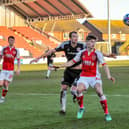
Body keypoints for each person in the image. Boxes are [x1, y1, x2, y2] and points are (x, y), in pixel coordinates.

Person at [30, 31, 115, 115]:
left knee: (75, 90)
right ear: (70, 38)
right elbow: (52, 51)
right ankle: (63, 109)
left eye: (77, 37)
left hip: (79, 72)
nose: (76, 38)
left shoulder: (82, 45)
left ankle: (80, 104)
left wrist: (107, 55)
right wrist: (39, 58)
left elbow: (95, 50)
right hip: (69, 69)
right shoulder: (65, 45)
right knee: (63, 88)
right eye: (74, 36)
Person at [60, 35, 115, 121]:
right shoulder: (82, 52)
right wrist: (61, 65)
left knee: (99, 92)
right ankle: (81, 108)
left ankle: (106, 113)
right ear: (87, 42)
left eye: (94, 42)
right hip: (84, 77)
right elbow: (72, 62)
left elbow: (104, 65)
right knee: (78, 90)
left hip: (94, 77)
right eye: (92, 42)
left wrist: (108, 76)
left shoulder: (97, 53)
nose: (93, 44)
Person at [0, 36, 20, 103]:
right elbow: (0, 57)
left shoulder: (16, 50)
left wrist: (18, 69)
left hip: (10, 70)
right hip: (4, 69)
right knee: (0, 84)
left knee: (5, 84)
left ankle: (2, 98)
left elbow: (18, 60)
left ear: (14, 41)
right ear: (8, 41)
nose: (11, 41)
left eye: (12, 40)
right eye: (10, 40)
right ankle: (3, 95)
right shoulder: (4, 48)